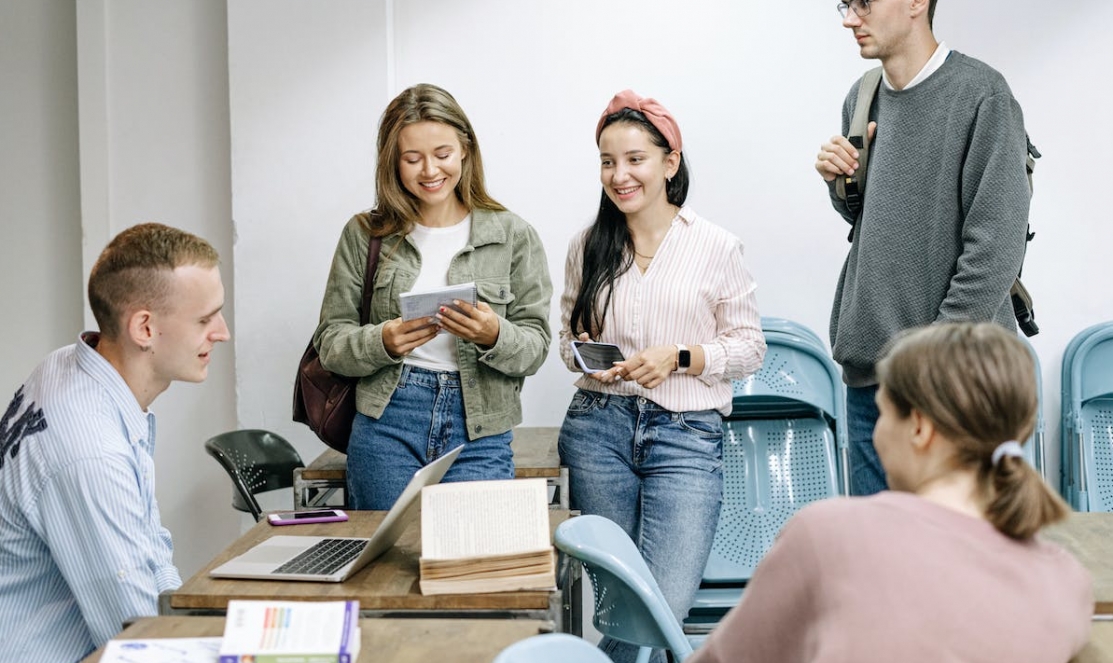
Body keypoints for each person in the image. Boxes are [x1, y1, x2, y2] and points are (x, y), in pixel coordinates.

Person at [689, 323, 1092, 663]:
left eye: (882, 413)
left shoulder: (828, 534)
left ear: (919, 427)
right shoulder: (1065, 582)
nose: (875, 433)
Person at [558, 90, 766, 663]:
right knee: (618, 601)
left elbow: (750, 348)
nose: (619, 175)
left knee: (659, 605)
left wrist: (679, 357)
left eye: (634, 159)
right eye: (607, 162)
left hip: (686, 435)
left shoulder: (717, 246)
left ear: (669, 163)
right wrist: (584, 355)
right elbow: (565, 339)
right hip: (597, 430)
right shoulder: (588, 245)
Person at [814, 0, 1032, 495]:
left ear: (916, 3)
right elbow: (875, 221)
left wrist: (929, 364)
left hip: (954, 383)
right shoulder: (862, 97)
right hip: (871, 377)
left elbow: (996, 247)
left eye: (864, 4)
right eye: (845, 5)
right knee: (880, 558)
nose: (850, 19)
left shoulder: (983, 95)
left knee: (960, 560)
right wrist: (840, 183)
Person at [314, 83, 552, 510]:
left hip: (480, 427)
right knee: (384, 568)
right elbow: (331, 343)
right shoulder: (364, 236)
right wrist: (382, 341)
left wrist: (494, 334)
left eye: (442, 154)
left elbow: (536, 347)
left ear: (465, 149)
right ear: (393, 162)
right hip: (387, 422)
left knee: (470, 565)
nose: (429, 171)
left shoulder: (513, 235)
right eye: (412, 158)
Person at [0, 223, 230, 663]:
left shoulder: (71, 366)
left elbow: (148, 546)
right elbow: (138, 640)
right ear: (144, 328)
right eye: (205, 319)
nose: (222, 332)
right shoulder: (90, 452)